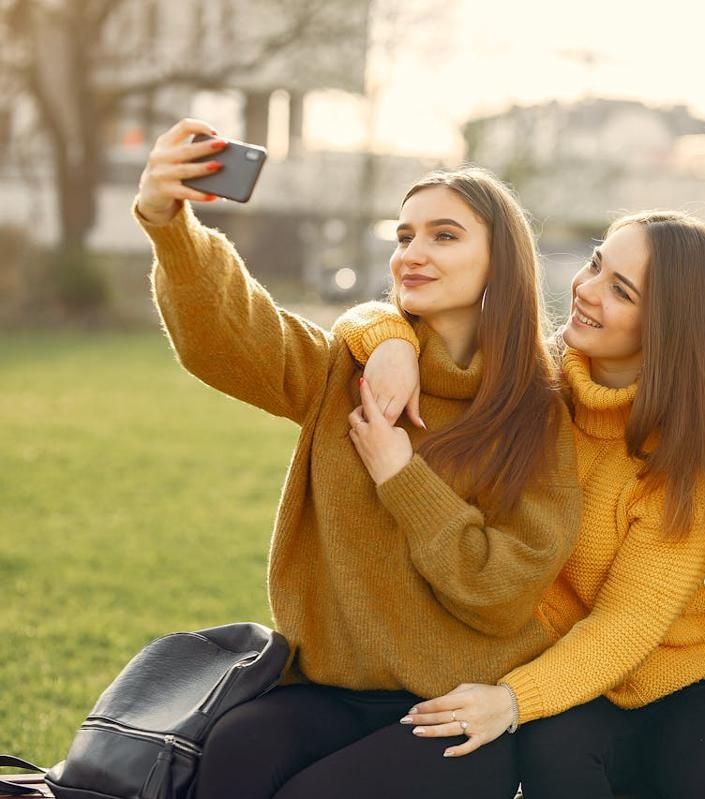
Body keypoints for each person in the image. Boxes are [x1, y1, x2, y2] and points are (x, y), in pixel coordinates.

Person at [132, 118, 582, 799]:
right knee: (232, 756)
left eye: (444, 235)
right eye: (403, 236)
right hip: (327, 688)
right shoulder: (346, 370)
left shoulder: (537, 411)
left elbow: (502, 593)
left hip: (456, 706)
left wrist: (402, 476)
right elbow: (230, 336)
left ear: (501, 261)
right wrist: (169, 224)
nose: (412, 253)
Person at [334, 211, 705, 797]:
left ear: (670, 328)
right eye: (596, 264)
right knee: (555, 754)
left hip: (687, 682)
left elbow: (624, 626)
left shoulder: (688, 461)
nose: (586, 289)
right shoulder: (528, 385)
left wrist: (511, 700)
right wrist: (391, 340)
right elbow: (386, 317)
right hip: (565, 680)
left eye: (620, 290)